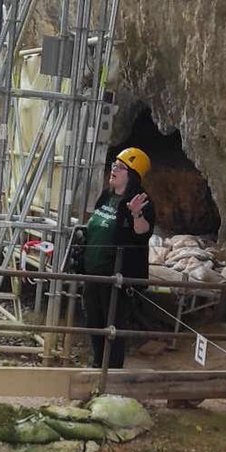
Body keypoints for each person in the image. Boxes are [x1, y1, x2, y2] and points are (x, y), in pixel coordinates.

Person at [79, 146, 155, 369]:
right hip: (93, 270)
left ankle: (110, 372)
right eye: (114, 165)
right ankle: (97, 365)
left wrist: (135, 214)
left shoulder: (141, 201)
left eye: (120, 168)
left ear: (132, 175)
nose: (114, 170)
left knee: (112, 325)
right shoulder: (106, 196)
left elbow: (143, 232)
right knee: (94, 321)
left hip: (115, 276)